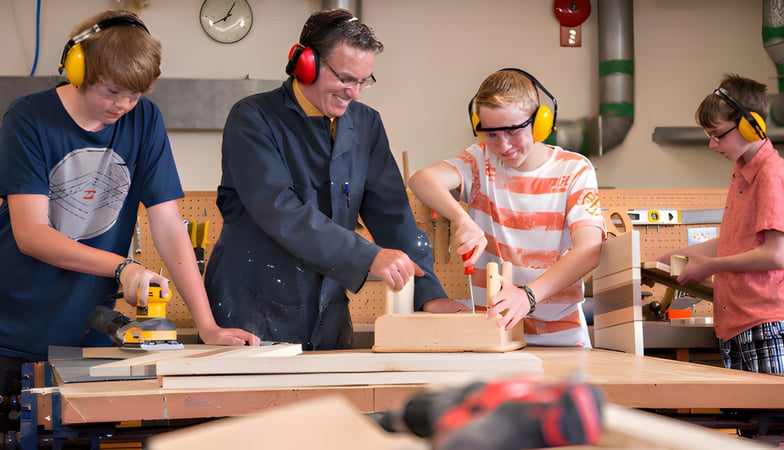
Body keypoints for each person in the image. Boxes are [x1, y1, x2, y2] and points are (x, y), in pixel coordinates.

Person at [0, 9, 260, 417]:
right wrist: (125, 268)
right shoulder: (28, 118)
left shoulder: (145, 119)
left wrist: (207, 325)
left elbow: (170, 225)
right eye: (111, 91)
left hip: (89, 332)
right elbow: (31, 233)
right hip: (14, 328)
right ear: (77, 68)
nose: (123, 105)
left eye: (135, 94)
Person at [203, 8, 458, 351]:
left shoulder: (365, 125)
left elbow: (392, 214)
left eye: (363, 81)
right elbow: (279, 210)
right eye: (345, 79)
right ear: (305, 63)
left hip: (328, 312)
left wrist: (429, 295)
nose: (354, 93)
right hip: (252, 308)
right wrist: (369, 256)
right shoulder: (252, 119)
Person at [408, 68, 606, 348]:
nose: (503, 146)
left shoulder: (574, 170)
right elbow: (420, 179)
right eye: (491, 134)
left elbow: (590, 250)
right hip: (492, 334)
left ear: (539, 123)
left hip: (560, 337)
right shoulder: (480, 162)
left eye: (513, 131)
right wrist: (462, 219)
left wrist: (527, 296)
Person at [655, 74, 784, 375]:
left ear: (751, 125)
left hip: (767, 321)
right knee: (747, 421)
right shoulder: (742, 173)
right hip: (738, 322)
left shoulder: (773, 175)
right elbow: (735, 242)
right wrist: (668, 260)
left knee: (774, 421)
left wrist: (709, 266)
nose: (711, 144)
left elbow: (776, 255)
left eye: (718, 134)